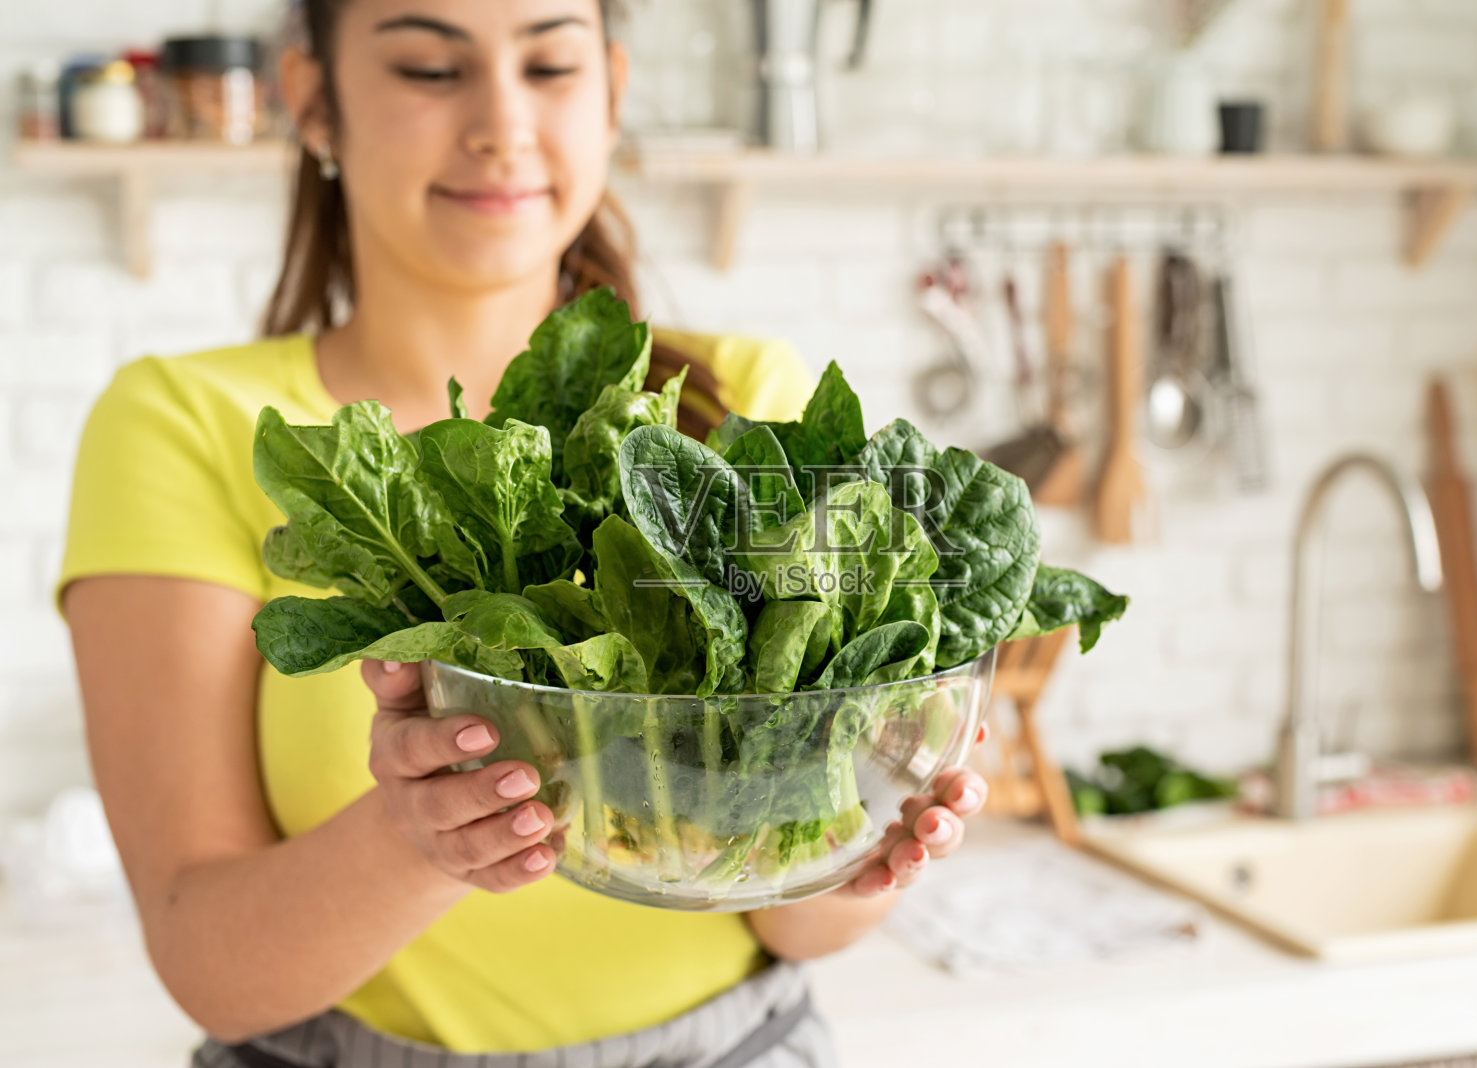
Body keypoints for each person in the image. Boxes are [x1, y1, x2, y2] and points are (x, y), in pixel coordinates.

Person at [54, 1, 989, 1065]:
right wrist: (416, 836)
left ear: (611, 94)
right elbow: (209, 970)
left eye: (548, 65)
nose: (502, 122)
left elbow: (793, 920)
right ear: (314, 101)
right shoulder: (179, 423)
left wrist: (868, 839)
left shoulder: (745, 402)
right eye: (427, 69)